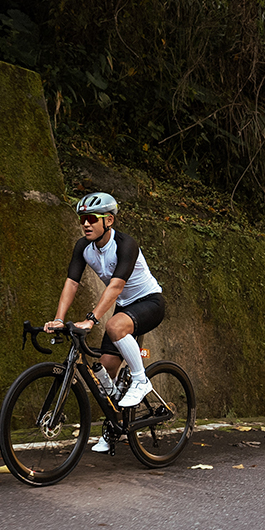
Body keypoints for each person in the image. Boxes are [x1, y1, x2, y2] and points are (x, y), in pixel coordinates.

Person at [44, 192, 166, 453]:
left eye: (91, 218)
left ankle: (141, 380)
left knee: (114, 326)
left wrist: (91, 319)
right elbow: (71, 283)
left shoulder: (125, 244)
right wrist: (58, 319)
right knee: (105, 372)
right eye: (82, 219)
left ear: (108, 220)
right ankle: (115, 425)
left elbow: (116, 286)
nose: (85, 224)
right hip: (124, 308)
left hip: (150, 302)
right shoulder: (83, 248)